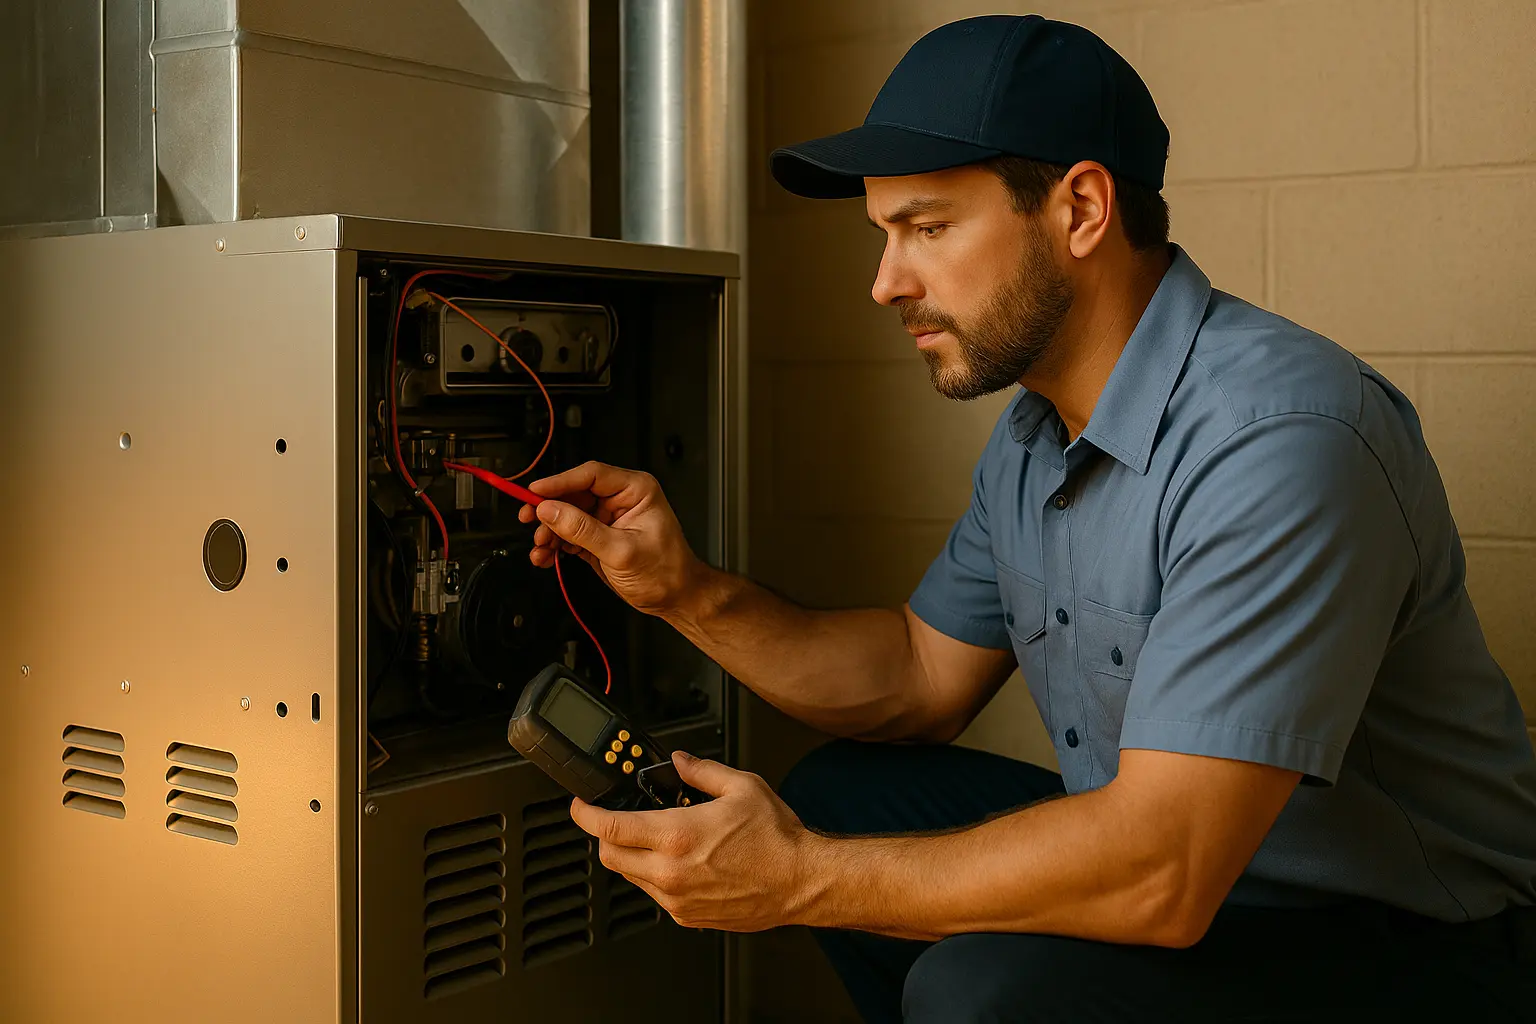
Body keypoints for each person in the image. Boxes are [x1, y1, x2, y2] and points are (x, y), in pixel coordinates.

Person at [519, 15, 1536, 1023]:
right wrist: (682, 592)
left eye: (927, 227)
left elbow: (1165, 869)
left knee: (977, 983)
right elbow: (918, 677)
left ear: (1080, 209)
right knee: (836, 795)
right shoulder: (1036, 434)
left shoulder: (1279, 440)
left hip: (1419, 946)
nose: (885, 283)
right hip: (1199, 881)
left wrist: (798, 878)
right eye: (883, 235)